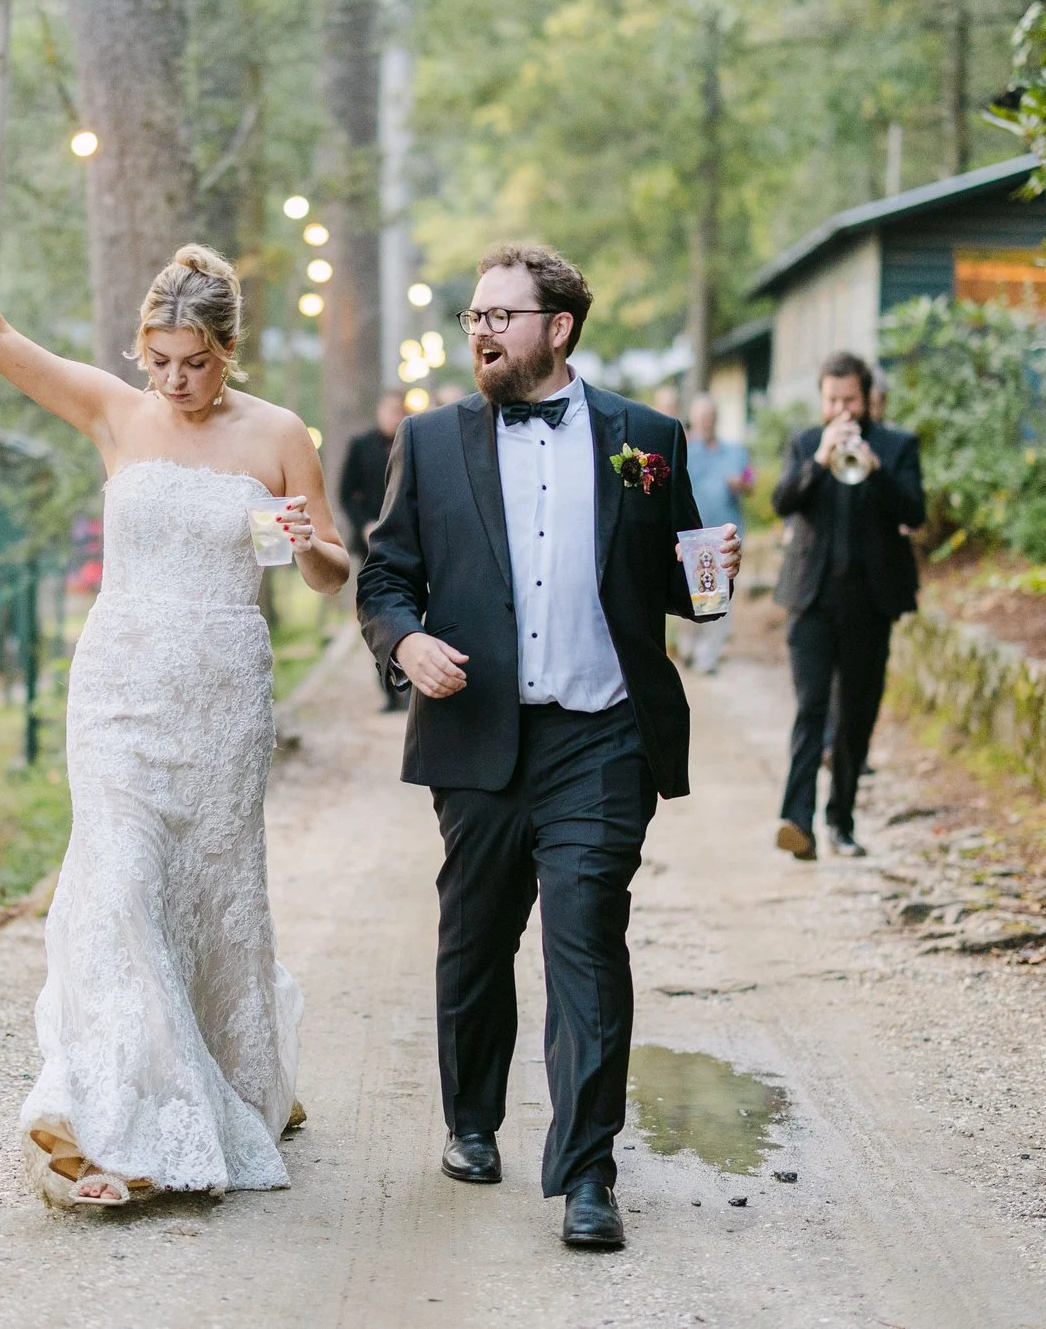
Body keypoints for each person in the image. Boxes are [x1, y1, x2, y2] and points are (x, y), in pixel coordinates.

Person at [0, 192, 350, 1207]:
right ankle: (101, 1125)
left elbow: (329, 569)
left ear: (230, 350)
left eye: (197, 361)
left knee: (211, 898)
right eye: (161, 358)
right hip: (119, 689)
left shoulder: (277, 434)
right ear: (141, 346)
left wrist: (309, 542)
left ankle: (226, 1076)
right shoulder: (112, 409)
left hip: (222, 694)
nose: (175, 381)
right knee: (119, 886)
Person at [358, 242, 741, 1253]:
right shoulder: (431, 442)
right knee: (476, 942)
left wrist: (713, 576)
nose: (479, 330)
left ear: (558, 327)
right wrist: (407, 638)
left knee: (585, 945)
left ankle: (586, 1172)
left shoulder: (645, 437)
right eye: (474, 315)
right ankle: (471, 1119)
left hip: (601, 737)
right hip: (477, 733)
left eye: (500, 314)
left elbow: (682, 586)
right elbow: (384, 574)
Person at [769, 351, 924, 862]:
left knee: (855, 718)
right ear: (822, 399)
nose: (841, 410)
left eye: (850, 400)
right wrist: (818, 461)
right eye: (832, 400)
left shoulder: (898, 446)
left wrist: (876, 470)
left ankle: (842, 822)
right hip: (811, 601)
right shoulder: (805, 444)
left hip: (870, 603)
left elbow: (915, 512)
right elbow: (783, 502)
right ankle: (797, 821)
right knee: (811, 710)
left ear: (867, 399)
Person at [337, 391, 408, 710]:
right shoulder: (360, 444)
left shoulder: (412, 441)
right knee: (378, 614)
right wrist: (365, 524)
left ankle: (410, 688)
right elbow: (345, 494)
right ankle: (388, 691)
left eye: (399, 411)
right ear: (379, 411)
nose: (394, 416)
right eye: (389, 410)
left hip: (408, 542)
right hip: (370, 544)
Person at [677, 394, 753, 676]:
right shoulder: (682, 449)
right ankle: (688, 646)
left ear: (716, 419)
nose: (705, 423)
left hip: (725, 538)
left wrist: (742, 484)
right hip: (691, 537)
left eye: (709, 417)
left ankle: (708, 656)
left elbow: (750, 480)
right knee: (691, 595)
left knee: (721, 598)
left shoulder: (735, 451)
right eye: (700, 418)